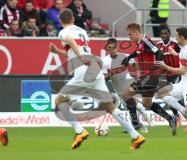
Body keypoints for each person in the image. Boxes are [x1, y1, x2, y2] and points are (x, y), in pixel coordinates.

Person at [49, 8, 145, 150]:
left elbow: (72, 44)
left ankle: (79, 131)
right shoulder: (81, 31)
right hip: (95, 69)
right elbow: (74, 51)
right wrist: (57, 51)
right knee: (110, 107)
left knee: (59, 100)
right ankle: (136, 136)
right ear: (73, 19)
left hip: (84, 72)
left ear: (60, 20)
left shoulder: (63, 32)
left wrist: (81, 58)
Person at [121, 22, 177, 136]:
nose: (129, 37)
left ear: (137, 33)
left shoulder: (145, 40)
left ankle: (135, 123)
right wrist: (129, 57)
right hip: (147, 75)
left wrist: (157, 65)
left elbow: (159, 52)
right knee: (147, 103)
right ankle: (170, 118)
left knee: (127, 94)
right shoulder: (139, 43)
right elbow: (137, 53)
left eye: (130, 35)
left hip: (150, 75)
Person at [102, 37, 151, 133]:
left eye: (114, 47)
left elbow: (134, 63)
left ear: (117, 47)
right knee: (131, 106)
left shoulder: (125, 56)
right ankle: (141, 124)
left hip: (128, 82)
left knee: (131, 103)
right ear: (107, 48)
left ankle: (136, 123)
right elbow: (105, 78)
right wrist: (110, 74)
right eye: (110, 47)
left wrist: (137, 73)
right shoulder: (105, 61)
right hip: (118, 87)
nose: (112, 50)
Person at [156, 24, 182, 128]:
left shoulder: (175, 44)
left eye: (166, 33)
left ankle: (180, 115)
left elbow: (182, 55)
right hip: (166, 74)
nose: (164, 35)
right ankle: (178, 115)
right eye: (162, 34)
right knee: (169, 96)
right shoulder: (158, 45)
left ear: (169, 34)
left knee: (172, 96)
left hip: (176, 73)